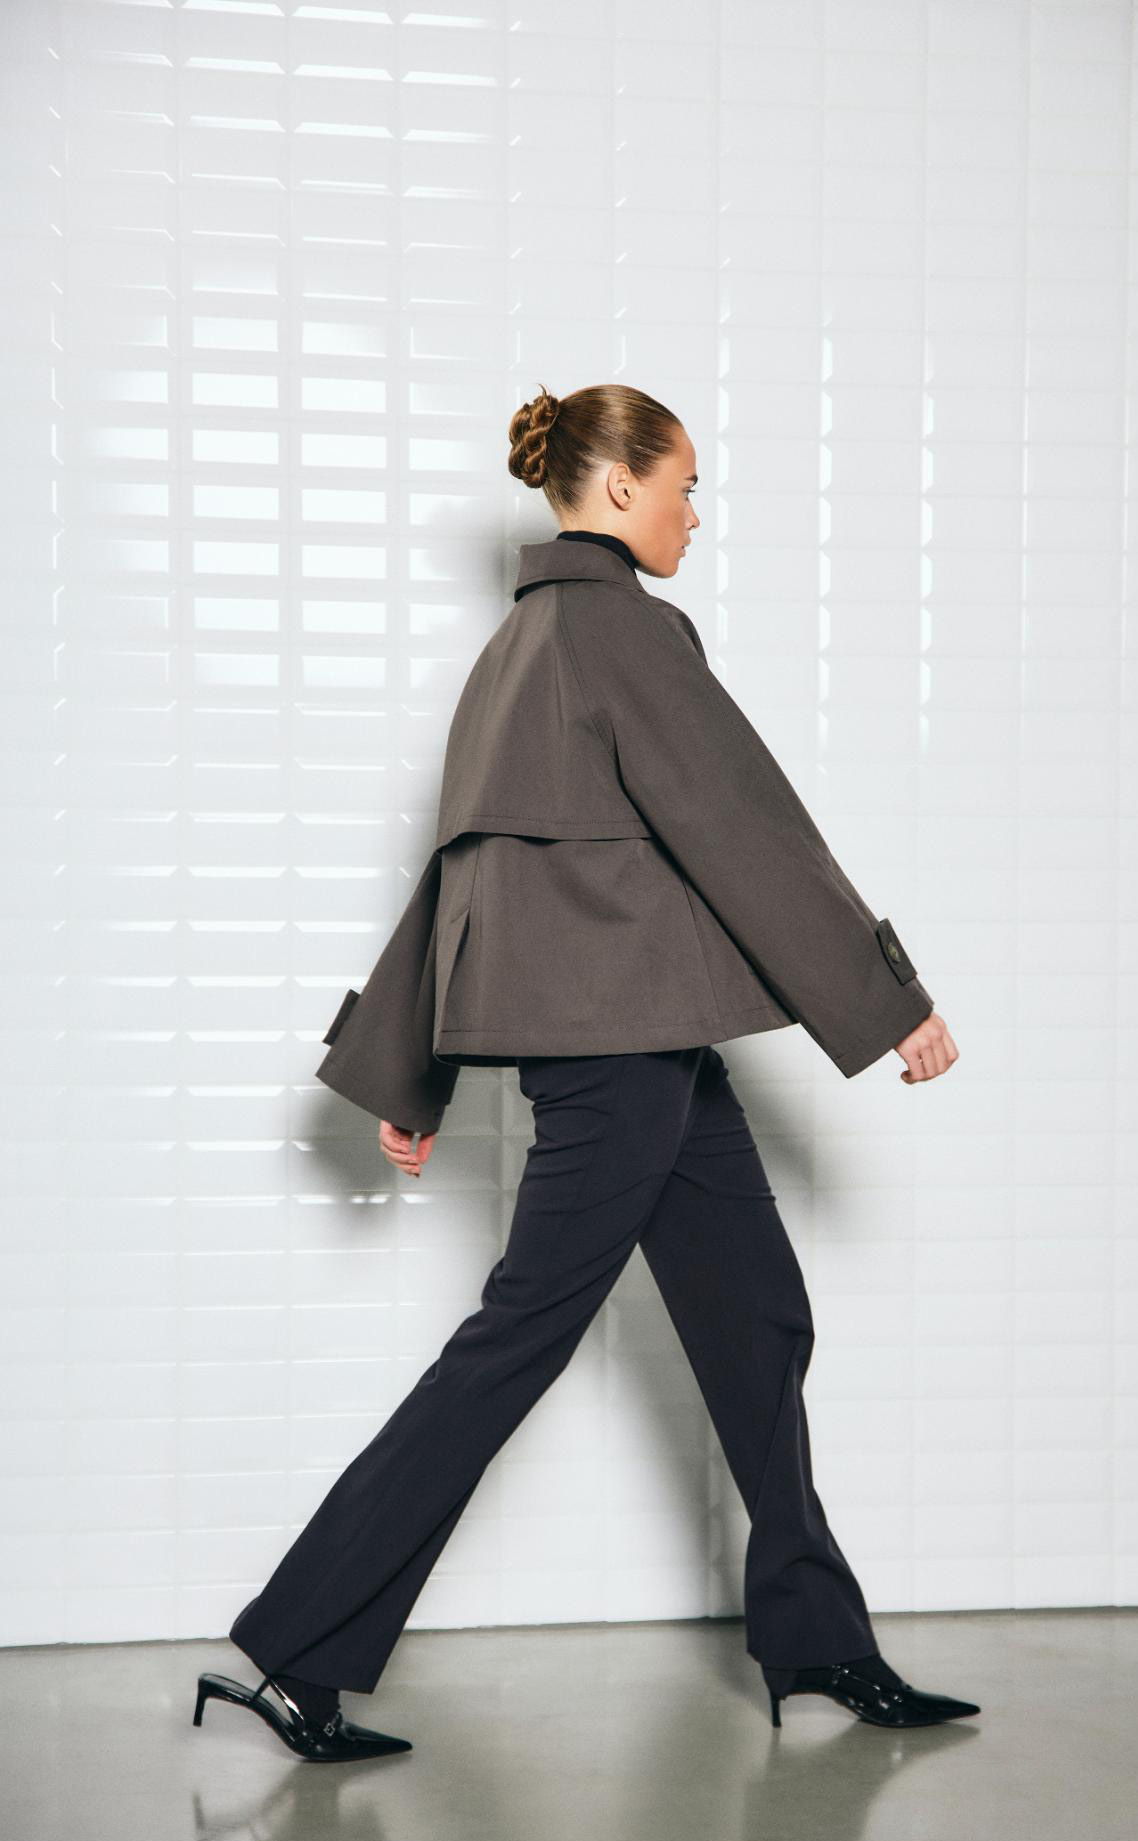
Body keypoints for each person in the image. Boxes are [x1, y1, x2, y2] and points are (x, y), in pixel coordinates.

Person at [193, 382, 978, 1763]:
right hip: (621, 1061)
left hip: (650, 1046)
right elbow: (745, 825)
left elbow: (456, 872)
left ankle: (818, 1642)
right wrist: (885, 999)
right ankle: (295, 1655)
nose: (695, 513)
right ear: (620, 488)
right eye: (685, 485)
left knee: (757, 1319)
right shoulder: (624, 632)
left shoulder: (514, 647)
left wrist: (409, 1074)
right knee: (515, 1342)